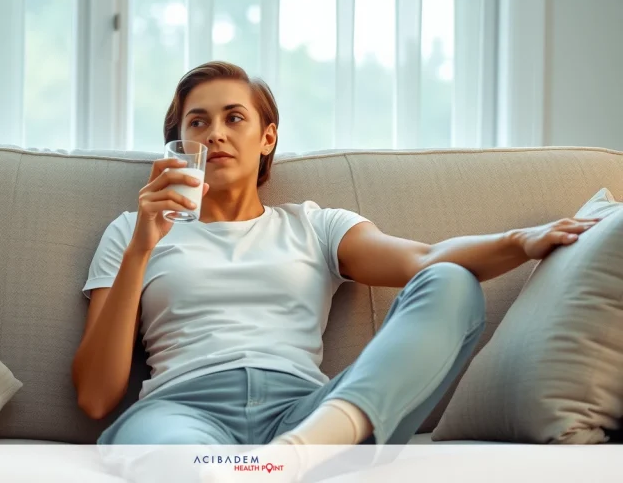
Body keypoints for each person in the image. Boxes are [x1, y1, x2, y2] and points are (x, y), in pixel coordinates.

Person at [72, 61, 599, 478]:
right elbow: (96, 396)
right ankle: (246, 473)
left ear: (267, 138)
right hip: (183, 410)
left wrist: (521, 241)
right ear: (179, 146)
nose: (216, 134)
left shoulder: (314, 226)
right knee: (187, 464)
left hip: (309, 414)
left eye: (234, 117)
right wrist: (142, 248)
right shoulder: (131, 230)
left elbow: (424, 259)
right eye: (198, 122)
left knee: (451, 282)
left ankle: (293, 456)